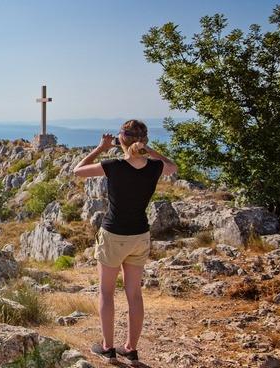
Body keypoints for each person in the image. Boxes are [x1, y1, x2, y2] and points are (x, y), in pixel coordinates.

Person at [72, 119, 178, 364]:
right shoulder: (155, 167)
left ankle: (108, 348)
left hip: (114, 235)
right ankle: (131, 349)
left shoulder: (113, 166)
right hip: (139, 235)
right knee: (134, 294)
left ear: (121, 139)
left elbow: (78, 170)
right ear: (144, 140)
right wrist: (148, 150)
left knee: (106, 292)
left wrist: (100, 148)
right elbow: (172, 167)